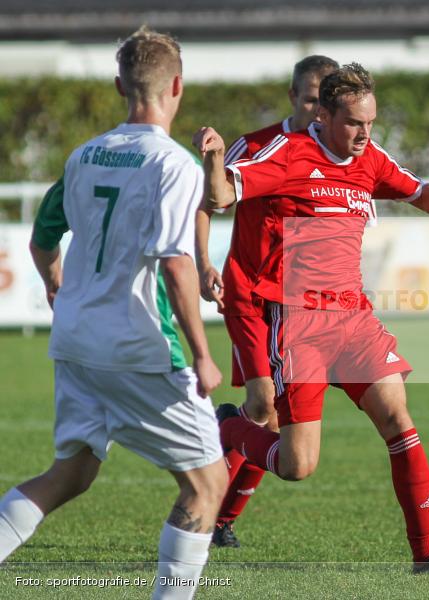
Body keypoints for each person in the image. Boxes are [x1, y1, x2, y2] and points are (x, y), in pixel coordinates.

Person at [192, 62, 429, 572]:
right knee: (298, 464)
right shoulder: (289, 154)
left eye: (370, 123)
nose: (365, 135)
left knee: (398, 417)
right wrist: (213, 159)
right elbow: (220, 195)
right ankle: (232, 427)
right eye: (354, 124)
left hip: (354, 319)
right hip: (298, 322)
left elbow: (415, 189)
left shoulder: (369, 158)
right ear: (323, 115)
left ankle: (426, 555)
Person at [0, 27, 227, 599]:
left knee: (69, 475)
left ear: (119, 85)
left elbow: (44, 235)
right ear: (177, 85)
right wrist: (202, 355)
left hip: (77, 342)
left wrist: (56, 285)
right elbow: (176, 265)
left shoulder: (83, 157)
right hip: (140, 349)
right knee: (206, 486)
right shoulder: (173, 165)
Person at [195, 54, 339, 548]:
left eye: (326, 103)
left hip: (293, 303)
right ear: (292, 96)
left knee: (272, 418)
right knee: (262, 403)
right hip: (248, 294)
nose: (317, 112)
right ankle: (228, 432)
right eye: (309, 100)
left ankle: (221, 518)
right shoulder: (257, 145)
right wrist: (203, 263)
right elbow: (208, 200)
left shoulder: (333, 154)